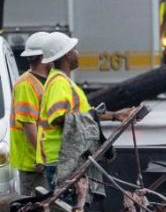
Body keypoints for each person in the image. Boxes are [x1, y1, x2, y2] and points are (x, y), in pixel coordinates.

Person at [36, 33, 134, 190]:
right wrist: (89, 117)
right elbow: (58, 117)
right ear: (68, 55)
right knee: (66, 211)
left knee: (72, 210)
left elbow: (85, 113)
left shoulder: (63, 82)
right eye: (75, 49)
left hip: (67, 157)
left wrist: (115, 115)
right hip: (60, 158)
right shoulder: (59, 83)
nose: (78, 53)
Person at [10, 32, 53, 194]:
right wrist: (42, 156)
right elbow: (29, 125)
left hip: (42, 161)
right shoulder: (26, 84)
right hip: (34, 164)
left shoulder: (46, 81)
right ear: (45, 56)